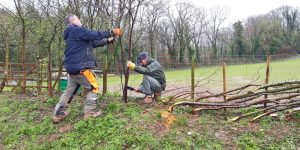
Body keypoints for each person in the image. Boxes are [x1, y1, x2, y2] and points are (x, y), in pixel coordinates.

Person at [53, 14, 122, 123]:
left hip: (72, 69)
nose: (80, 21)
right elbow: (93, 34)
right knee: (94, 87)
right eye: (78, 18)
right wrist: (111, 32)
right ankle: (89, 113)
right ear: (73, 21)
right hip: (81, 68)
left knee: (69, 91)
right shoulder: (76, 30)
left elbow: (93, 43)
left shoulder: (73, 35)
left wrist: (109, 40)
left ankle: (58, 113)